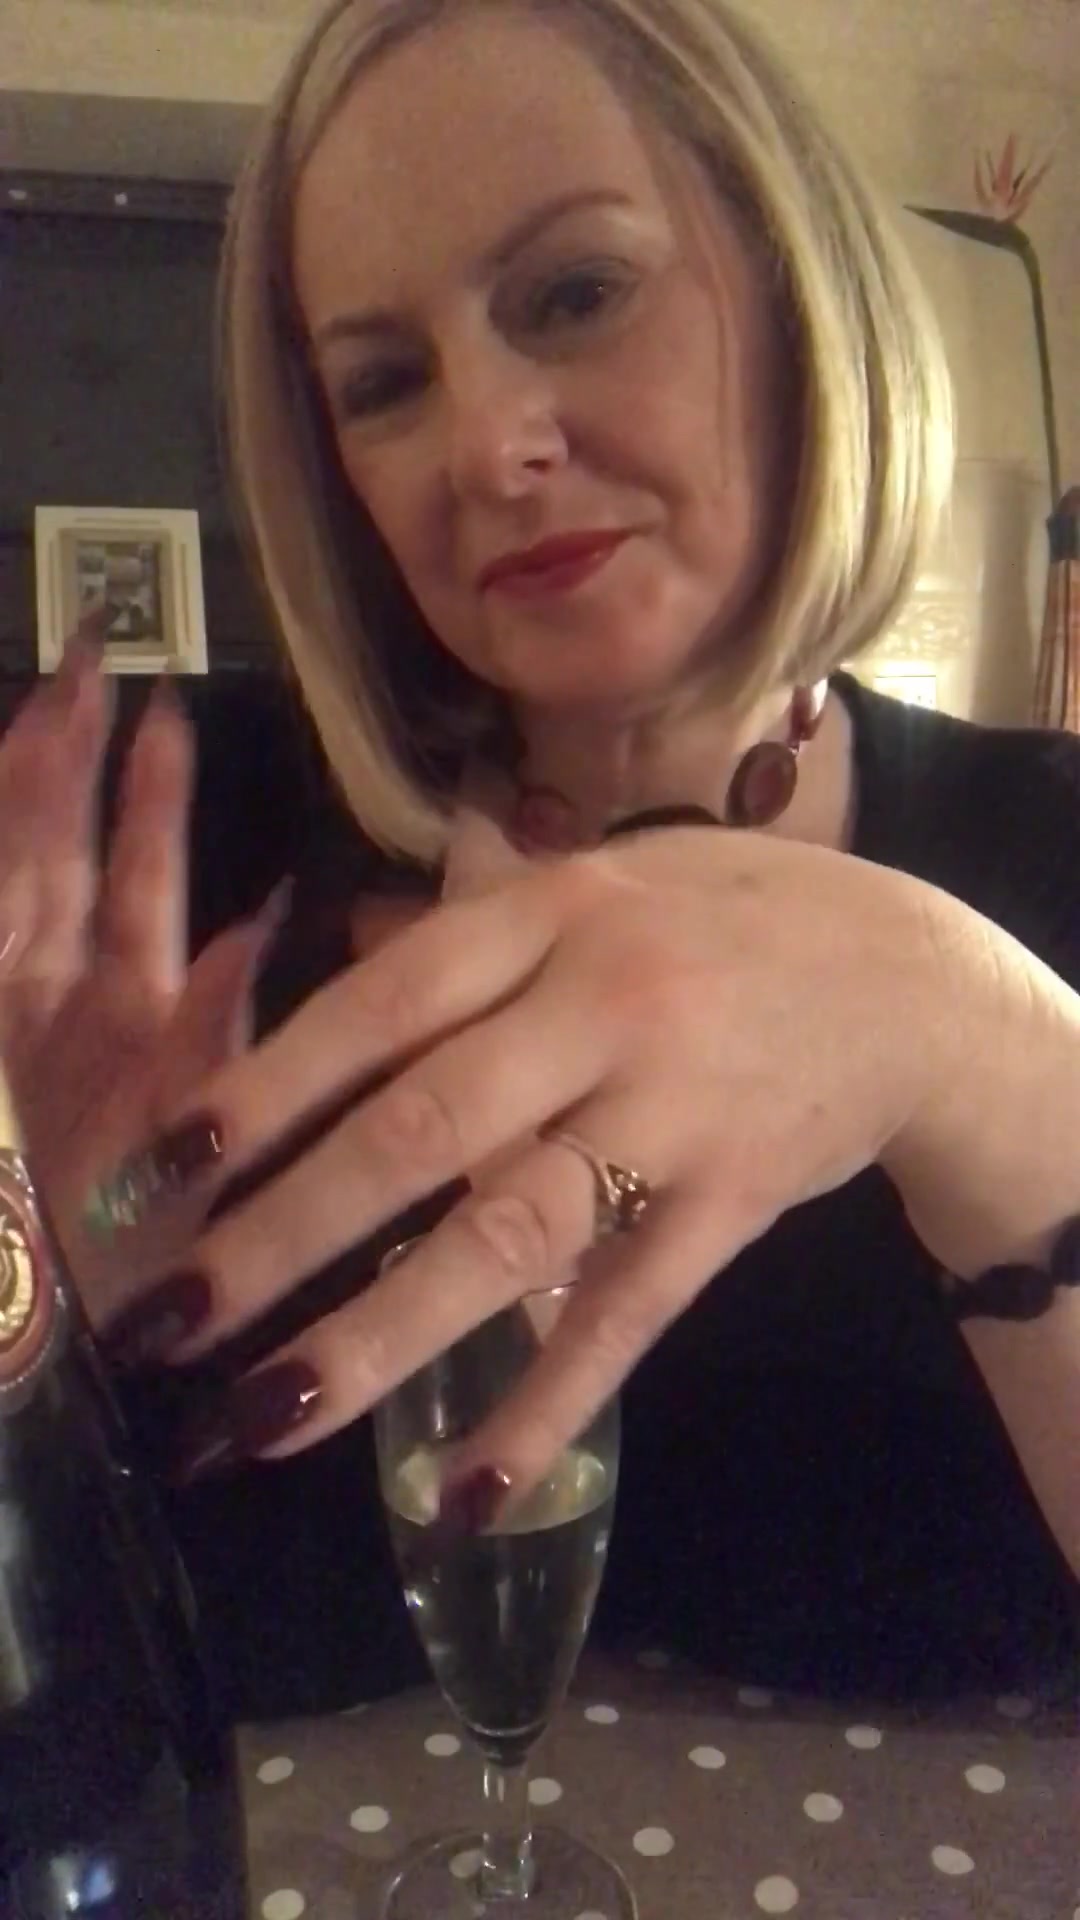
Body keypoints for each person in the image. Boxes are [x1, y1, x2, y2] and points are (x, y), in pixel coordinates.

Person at [3, 0, 1078, 1723]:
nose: (488, 447)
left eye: (576, 293)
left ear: (797, 294)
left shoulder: (1044, 844)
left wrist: (986, 1050)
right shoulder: (192, 851)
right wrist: (63, 1303)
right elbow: (89, 1663)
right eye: (383, 383)